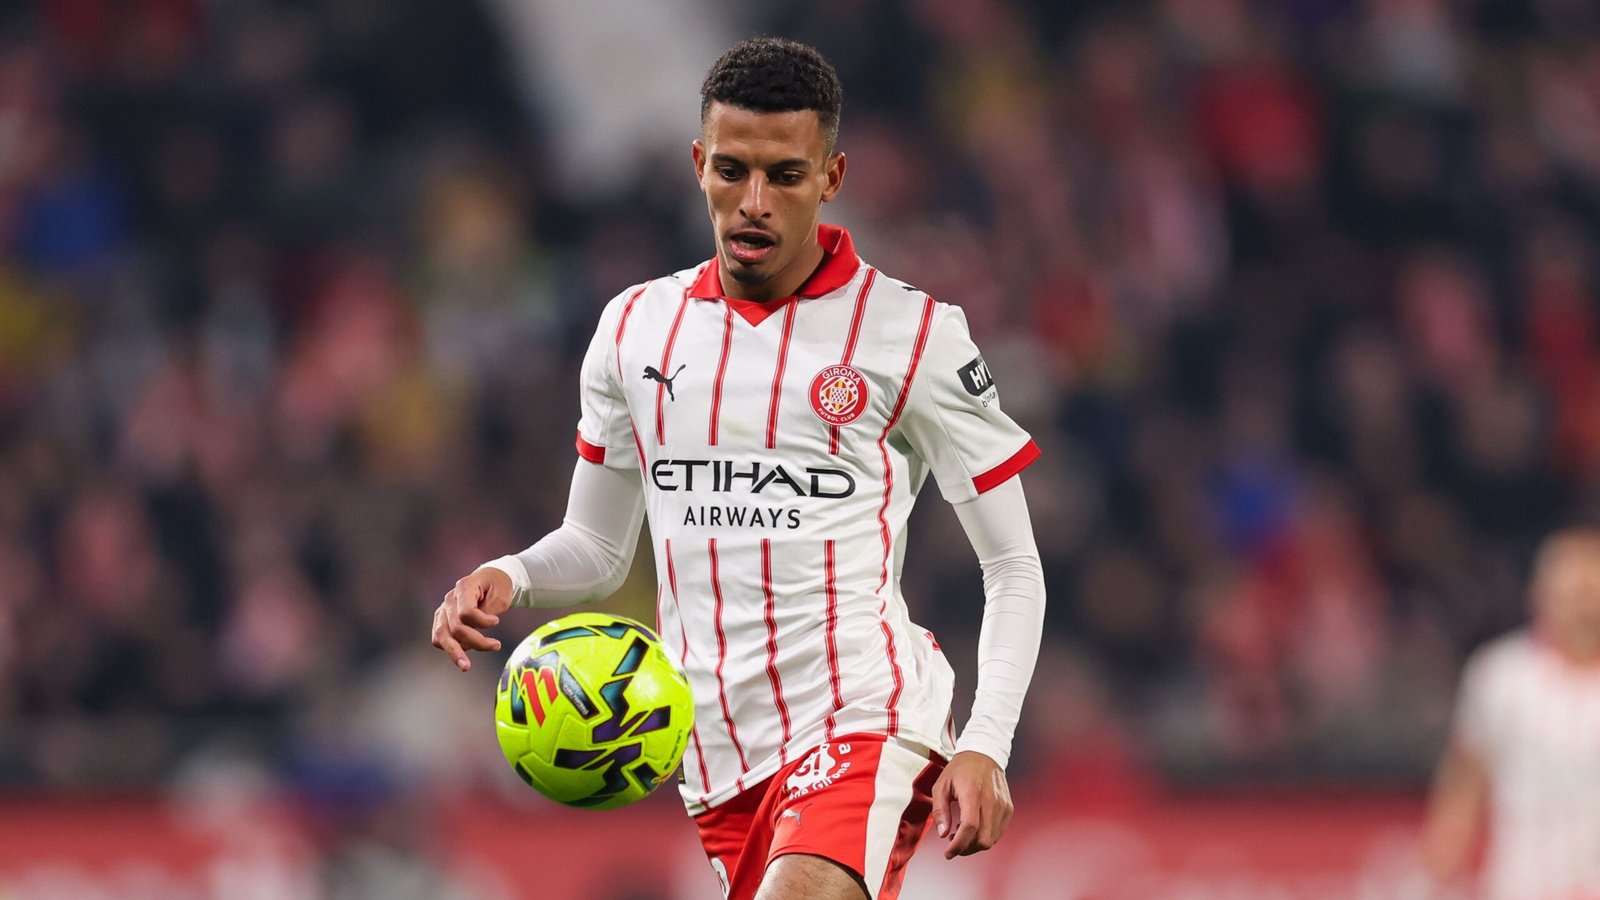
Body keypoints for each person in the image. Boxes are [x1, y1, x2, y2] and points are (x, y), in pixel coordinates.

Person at [430, 37, 1046, 900]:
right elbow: (598, 546)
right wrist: (507, 574)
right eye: (732, 171)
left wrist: (985, 740)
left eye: (785, 176)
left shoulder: (913, 337)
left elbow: (1013, 564)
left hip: (865, 719)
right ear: (698, 164)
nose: (753, 203)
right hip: (717, 761)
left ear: (831, 178)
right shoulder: (635, 329)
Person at [1423, 527, 1600, 899]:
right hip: (1523, 886)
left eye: (1591, 593)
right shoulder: (1500, 675)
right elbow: (1464, 786)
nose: (1583, 607)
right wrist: (1435, 873)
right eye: (1572, 594)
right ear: (1540, 594)